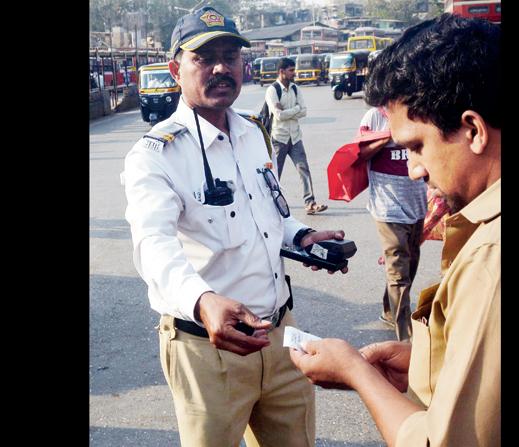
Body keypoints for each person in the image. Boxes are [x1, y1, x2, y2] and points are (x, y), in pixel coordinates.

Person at [121, 7, 348, 446]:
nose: (221, 67)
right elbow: (153, 244)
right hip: (208, 350)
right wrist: (203, 301)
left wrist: (302, 236)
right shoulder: (155, 154)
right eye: (204, 58)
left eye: (230, 55)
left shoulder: (251, 131)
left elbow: (269, 215)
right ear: (176, 69)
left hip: (281, 336)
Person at [289, 13, 500, 447]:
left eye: (418, 147)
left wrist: (357, 374)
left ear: (474, 129)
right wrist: (427, 357)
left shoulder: (490, 259)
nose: (417, 169)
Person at [357, 106, 428, 341]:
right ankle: (406, 338)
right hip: (387, 207)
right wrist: (387, 135)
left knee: (411, 263)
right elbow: (361, 152)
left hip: (417, 203)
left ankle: (389, 310)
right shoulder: (374, 117)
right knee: (398, 273)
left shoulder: (417, 110)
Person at [265, 57, 328, 215]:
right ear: (282, 71)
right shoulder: (273, 90)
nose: (294, 73)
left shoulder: (295, 88)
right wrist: (295, 110)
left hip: (295, 137)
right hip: (279, 138)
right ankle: (270, 204)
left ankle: (310, 203)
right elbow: (278, 115)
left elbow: (304, 110)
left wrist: (289, 111)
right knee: (275, 174)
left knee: (303, 169)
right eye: (291, 70)